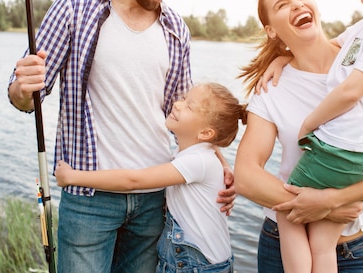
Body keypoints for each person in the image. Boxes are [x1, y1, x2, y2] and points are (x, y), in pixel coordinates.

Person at [7, 0, 235, 273]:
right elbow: (24, 97)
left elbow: (187, 117)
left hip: (155, 200)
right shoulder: (73, 8)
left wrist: (218, 160)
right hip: (88, 200)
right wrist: (23, 86)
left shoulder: (176, 29)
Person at [234, 0, 363, 272]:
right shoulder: (271, 88)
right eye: (282, 5)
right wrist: (309, 204)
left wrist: (334, 201)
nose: (296, 4)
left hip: (357, 249)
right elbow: (246, 175)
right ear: (271, 30)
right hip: (284, 246)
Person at [54, 82, 246, 273]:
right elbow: (212, 145)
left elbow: (133, 181)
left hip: (195, 265)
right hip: (203, 262)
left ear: (205, 133)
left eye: (189, 106)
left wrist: (73, 177)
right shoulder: (199, 154)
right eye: (184, 98)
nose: (178, 104)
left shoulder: (196, 161)